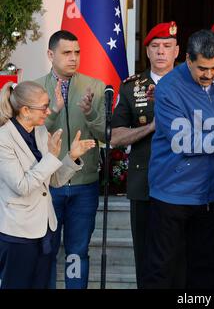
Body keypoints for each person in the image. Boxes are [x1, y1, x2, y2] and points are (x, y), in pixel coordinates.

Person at [144, 30, 214, 289]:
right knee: (162, 271)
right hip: (171, 195)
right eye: (202, 69)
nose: (209, 75)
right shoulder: (168, 88)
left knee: (209, 270)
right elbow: (184, 142)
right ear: (187, 59)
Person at [0, 81, 96, 289]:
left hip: (45, 229)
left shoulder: (40, 131)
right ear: (25, 110)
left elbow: (53, 180)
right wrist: (51, 157)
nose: (48, 111)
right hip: (18, 232)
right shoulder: (3, 138)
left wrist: (71, 157)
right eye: (43, 106)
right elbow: (22, 186)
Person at [111, 21, 179, 289]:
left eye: (167, 46)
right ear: (147, 51)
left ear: (177, 51)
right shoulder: (131, 87)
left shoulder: (192, 83)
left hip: (182, 183)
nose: (161, 51)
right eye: (155, 46)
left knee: (178, 254)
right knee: (145, 254)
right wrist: (151, 126)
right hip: (145, 184)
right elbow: (115, 137)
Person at [35, 30, 106, 289]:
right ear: (51, 55)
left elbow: (104, 134)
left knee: (78, 251)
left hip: (84, 185)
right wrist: (52, 112)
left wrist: (90, 113)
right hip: (47, 186)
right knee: (46, 251)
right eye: (67, 53)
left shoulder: (95, 87)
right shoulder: (33, 89)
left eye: (77, 52)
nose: (73, 58)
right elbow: (30, 136)